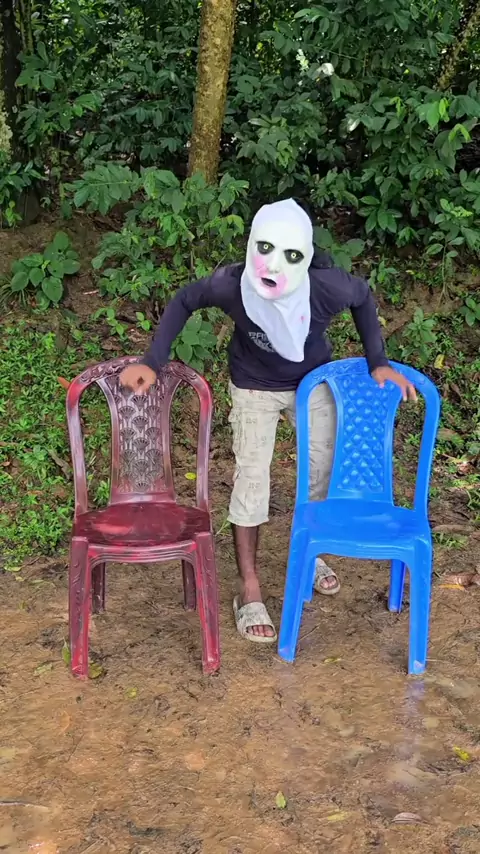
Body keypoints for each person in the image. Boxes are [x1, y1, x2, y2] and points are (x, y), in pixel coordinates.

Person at [120, 199, 416, 643]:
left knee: (322, 469)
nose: (274, 265)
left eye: (291, 255)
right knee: (252, 478)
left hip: (311, 383)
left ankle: (310, 552)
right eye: (265, 250)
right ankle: (249, 585)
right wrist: (152, 361)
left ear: (306, 258)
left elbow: (362, 297)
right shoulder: (231, 285)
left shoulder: (326, 287)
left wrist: (378, 361)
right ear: (251, 247)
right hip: (253, 385)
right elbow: (185, 299)